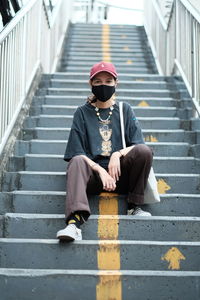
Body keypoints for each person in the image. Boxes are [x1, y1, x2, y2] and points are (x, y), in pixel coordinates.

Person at [56, 61, 153, 241]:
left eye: (108, 81)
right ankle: (74, 224)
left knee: (144, 151)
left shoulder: (125, 109)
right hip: (92, 178)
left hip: (120, 175)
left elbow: (138, 144)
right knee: (77, 161)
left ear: (116, 83)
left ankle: (134, 206)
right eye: (98, 82)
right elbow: (76, 151)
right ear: (91, 84)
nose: (103, 86)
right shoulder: (81, 113)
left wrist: (117, 154)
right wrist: (100, 170)